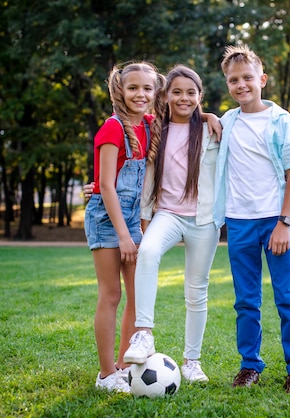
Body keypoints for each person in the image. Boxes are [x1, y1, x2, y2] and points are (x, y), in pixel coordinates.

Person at [212, 44, 290, 394]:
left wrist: (285, 222)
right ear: (227, 84)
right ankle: (249, 366)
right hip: (238, 222)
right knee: (245, 301)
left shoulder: (282, 121)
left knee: (288, 298)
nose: (241, 85)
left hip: (277, 221)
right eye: (233, 80)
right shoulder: (227, 121)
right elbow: (195, 128)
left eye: (247, 78)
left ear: (262, 79)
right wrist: (207, 116)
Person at [122, 65, 220, 384]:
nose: (183, 98)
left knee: (196, 290)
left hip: (204, 220)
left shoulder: (211, 129)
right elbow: (129, 157)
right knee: (147, 252)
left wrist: (209, 116)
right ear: (165, 96)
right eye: (176, 92)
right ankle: (144, 333)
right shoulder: (155, 129)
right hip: (167, 213)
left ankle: (192, 361)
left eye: (191, 92)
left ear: (200, 96)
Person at [84, 61, 166, 393]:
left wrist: (208, 116)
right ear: (120, 90)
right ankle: (106, 374)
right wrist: (124, 236)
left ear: (155, 91)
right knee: (111, 294)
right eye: (133, 87)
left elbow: (187, 118)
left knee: (137, 296)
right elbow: (105, 186)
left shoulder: (151, 126)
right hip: (107, 220)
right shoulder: (113, 128)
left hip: (135, 220)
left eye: (147, 88)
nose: (140, 94)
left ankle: (123, 367)